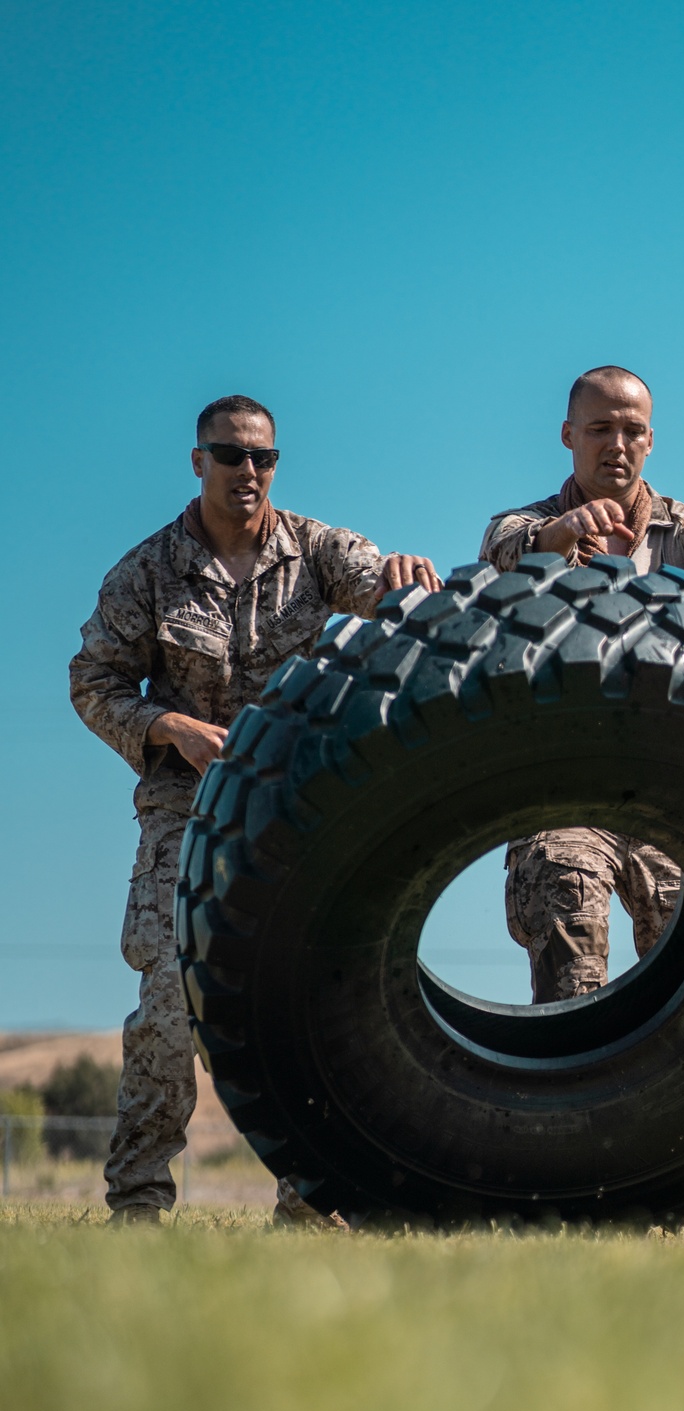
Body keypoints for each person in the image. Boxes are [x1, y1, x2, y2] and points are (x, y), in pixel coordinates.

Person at [70, 394, 441, 1229]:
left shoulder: (317, 552)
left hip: (293, 802)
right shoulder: (147, 573)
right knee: (169, 996)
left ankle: (308, 1204)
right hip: (185, 806)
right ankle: (137, 1204)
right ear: (196, 460)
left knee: (303, 998)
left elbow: (389, 595)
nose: (248, 472)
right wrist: (166, 726)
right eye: (230, 454)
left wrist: (403, 577)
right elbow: (91, 683)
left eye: (262, 458)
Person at [480, 365, 684, 1235]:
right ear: (568, 436)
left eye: (632, 432)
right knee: (576, 968)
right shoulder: (528, 525)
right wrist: (558, 535)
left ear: (651, 440)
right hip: (561, 789)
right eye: (600, 429)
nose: (617, 446)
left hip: (662, 791)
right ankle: (581, 1190)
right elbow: (505, 550)